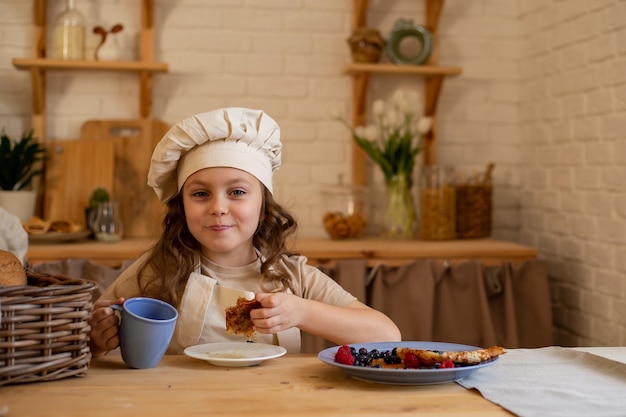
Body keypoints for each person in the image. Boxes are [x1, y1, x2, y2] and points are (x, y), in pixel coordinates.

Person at [88, 107, 401, 357]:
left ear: (263, 204)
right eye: (200, 194)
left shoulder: (294, 277)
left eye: (236, 192)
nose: (218, 207)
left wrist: (302, 311)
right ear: (181, 206)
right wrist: (98, 338)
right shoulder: (160, 267)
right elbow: (88, 332)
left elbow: (387, 336)